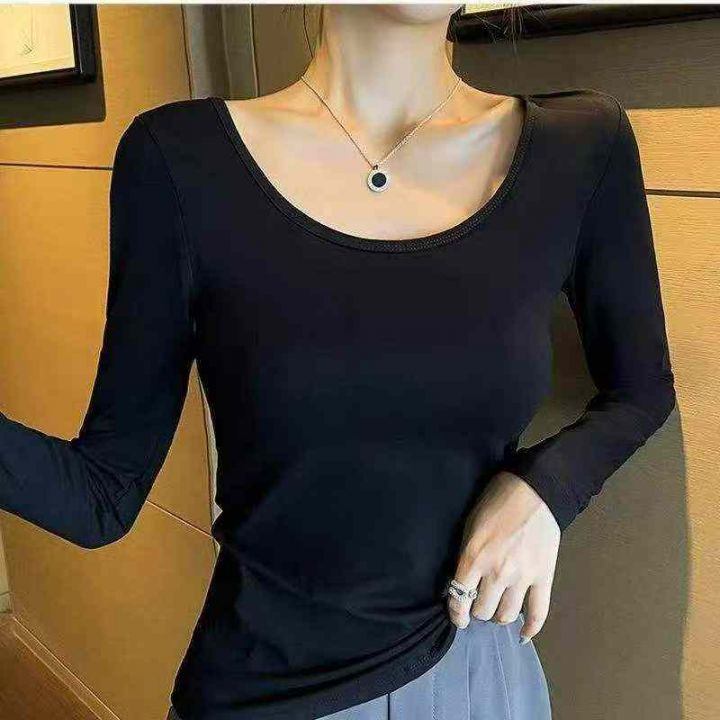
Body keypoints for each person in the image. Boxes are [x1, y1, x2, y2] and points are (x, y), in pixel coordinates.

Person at [0, 4, 676, 720]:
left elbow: (641, 390)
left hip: (471, 673)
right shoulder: (180, 160)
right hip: (265, 690)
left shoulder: (580, 148)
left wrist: (543, 490)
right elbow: (101, 495)